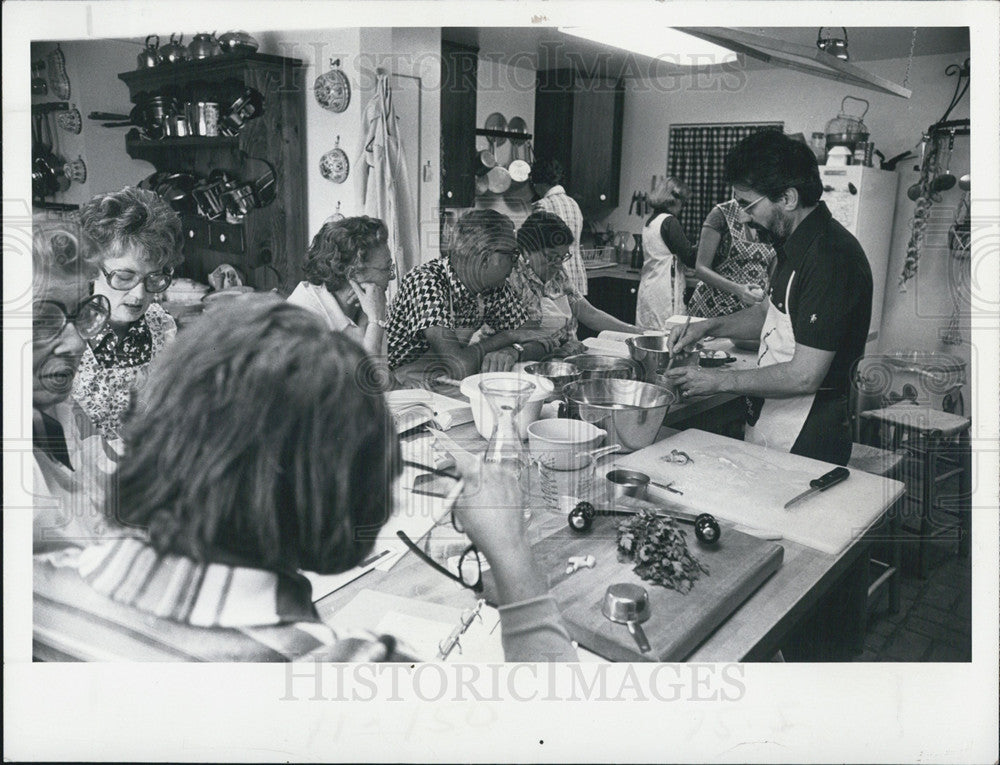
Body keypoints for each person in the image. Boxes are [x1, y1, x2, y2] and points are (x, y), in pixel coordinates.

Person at [33, 299, 577, 662]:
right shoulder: (338, 668)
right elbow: (549, 740)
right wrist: (514, 559)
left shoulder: (33, 591)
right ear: (350, 500)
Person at [666, 131, 873, 466]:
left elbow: (804, 374)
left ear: (788, 198)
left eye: (748, 205)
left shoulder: (832, 258)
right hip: (774, 419)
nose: (743, 218)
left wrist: (719, 380)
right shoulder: (790, 245)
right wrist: (708, 327)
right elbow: (769, 313)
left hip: (808, 435)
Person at [71, 187, 184, 440]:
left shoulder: (161, 325)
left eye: (154, 278)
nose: (139, 295)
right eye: (124, 277)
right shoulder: (65, 337)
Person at [32, 216, 116, 551]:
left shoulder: (57, 410)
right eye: (42, 320)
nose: (78, 343)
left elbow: (104, 482)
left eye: (81, 314)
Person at [385, 209, 539, 382]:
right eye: (512, 255)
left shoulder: (493, 286)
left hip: (436, 381)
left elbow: (537, 337)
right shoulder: (426, 280)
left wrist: (513, 351)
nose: (516, 263)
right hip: (394, 389)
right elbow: (459, 366)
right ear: (484, 257)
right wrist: (507, 337)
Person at [508, 211, 642, 358]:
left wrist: (637, 332)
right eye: (551, 257)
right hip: (535, 363)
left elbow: (590, 314)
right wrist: (558, 348)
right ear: (527, 251)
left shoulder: (558, 273)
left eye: (563, 256)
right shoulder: (512, 278)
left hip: (570, 357)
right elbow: (512, 340)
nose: (558, 264)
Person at [287, 215, 395, 356]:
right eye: (385, 269)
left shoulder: (369, 306)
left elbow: (382, 376)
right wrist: (376, 322)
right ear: (353, 273)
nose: (392, 276)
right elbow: (365, 377)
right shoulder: (304, 321)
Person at [687, 198, 777, 318]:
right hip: (714, 308)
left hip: (753, 313)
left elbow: (773, 273)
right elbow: (701, 269)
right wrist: (738, 289)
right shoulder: (721, 214)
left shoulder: (772, 215)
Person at [636, 176, 694, 330]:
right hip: (665, 291)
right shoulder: (670, 222)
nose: (683, 207)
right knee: (666, 335)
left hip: (649, 288)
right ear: (674, 200)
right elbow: (689, 256)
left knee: (648, 335)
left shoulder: (651, 221)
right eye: (683, 203)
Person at [530, 156, 588, 297]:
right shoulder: (573, 203)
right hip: (576, 273)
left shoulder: (543, 205)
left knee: (557, 317)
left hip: (557, 276)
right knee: (574, 316)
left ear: (539, 183)